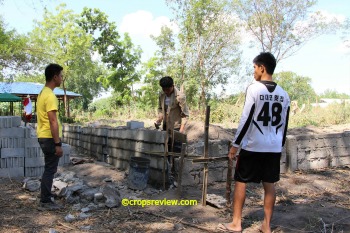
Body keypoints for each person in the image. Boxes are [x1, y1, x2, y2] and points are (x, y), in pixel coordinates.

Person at [218, 52, 290, 233]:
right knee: (269, 184)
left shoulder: (254, 89)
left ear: (262, 68)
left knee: (241, 182)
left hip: (253, 146)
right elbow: (284, 124)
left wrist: (236, 145)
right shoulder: (284, 95)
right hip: (273, 148)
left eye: (254, 68)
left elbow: (246, 119)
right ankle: (266, 225)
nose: (253, 72)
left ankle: (236, 223)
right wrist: (279, 146)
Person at [36, 63, 64, 210]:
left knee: (48, 168)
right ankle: (45, 201)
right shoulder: (50, 96)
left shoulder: (42, 93)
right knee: (50, 169)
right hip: (49, 137)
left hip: (42, 135)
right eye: (60, 75)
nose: (61, 78)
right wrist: (58, 144)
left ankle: (46, 196)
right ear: (54, 77)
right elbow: (53, 121)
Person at [155, 76, 189, 151]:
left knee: (176, 152)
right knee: (166, 150)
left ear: (172, 86)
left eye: (168, 90)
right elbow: (160, 108)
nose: (166, 92)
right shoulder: (161, 94)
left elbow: (185, 115)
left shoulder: (180, 97)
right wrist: (159, 119)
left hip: (176, 127)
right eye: (164, 90)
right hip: (165, 126)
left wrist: (181, 131)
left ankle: (174, 162)